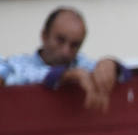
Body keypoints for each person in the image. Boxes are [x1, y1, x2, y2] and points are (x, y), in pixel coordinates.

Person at [0, 7, 128, 111]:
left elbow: (129, 75)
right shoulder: (15, 65)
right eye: (60, 40)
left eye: (74, 45)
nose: (66, 52)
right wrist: (65, 75)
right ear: (44, 35)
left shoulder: (81, 65)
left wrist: (112, 65)